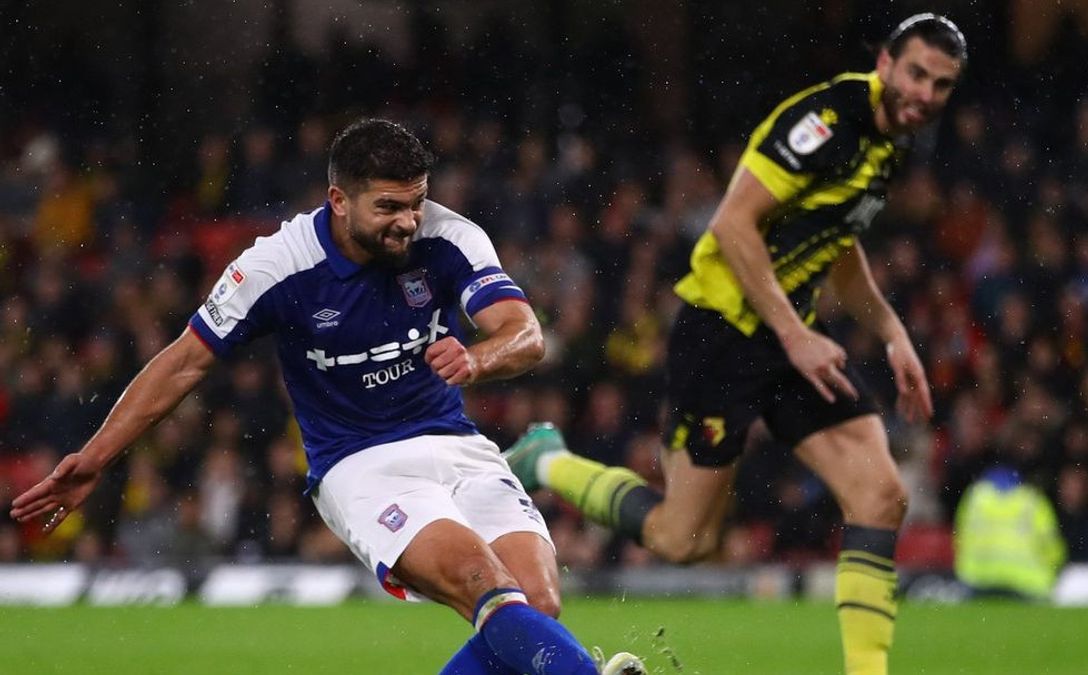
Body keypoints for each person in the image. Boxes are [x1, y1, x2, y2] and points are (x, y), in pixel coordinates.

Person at [10, 119, 644, 675]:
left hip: (455, 443)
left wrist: (478, 357)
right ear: (339, 200)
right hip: (360, 465)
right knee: (485, 586)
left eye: (416, 203)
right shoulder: (277, 265)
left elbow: (526, 333)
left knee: (539, 607)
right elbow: (183, 364)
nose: (408, 222)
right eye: (389, 207)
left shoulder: (448, 238)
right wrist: (93, 459)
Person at [504, 14, 966, 675]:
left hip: (791, 333)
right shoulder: (828, 122)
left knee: (880, 494)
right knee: (680, 537)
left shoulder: (890, 143)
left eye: (941, 84)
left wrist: (892, 331)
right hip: (724, 333)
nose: (924, 92)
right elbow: (732, 226)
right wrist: (796, 334)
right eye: (916, 73)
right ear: (886, 62)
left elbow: (838, 242)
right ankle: (546, 460)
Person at [953, 466, 1066, 600]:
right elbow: (1051, 545)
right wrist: (1055, 567)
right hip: (1027, 584)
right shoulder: (1032, 501)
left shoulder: (974, 498)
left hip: (979, 580)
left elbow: (960, 537)